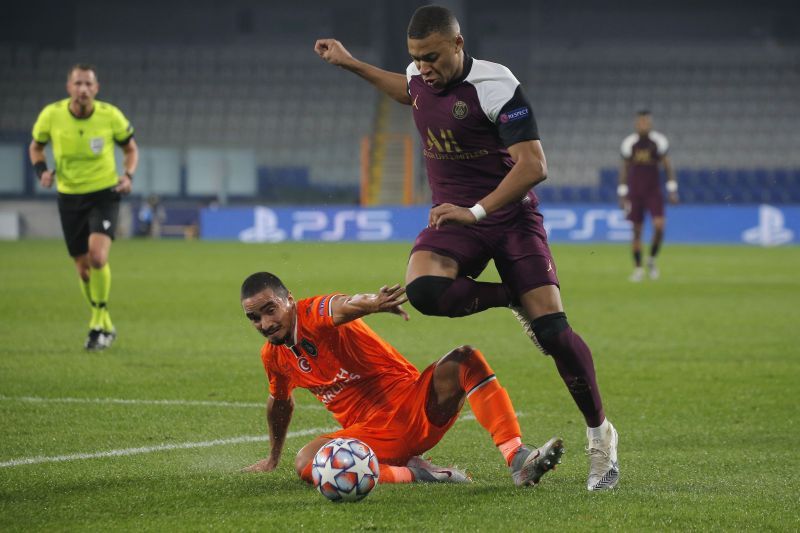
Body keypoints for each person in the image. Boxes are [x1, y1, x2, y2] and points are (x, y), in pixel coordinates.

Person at [314, 5, 618, 490]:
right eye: (416, 58)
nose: (423, 67)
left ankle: (601, 439)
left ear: (458, 44)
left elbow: (534, 165)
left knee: (556, 334)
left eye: (432, 57)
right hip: (457, 220)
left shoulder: (496, 87)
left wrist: (477, 211)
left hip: (508, 216)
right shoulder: (421, 75)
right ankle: (513, 297)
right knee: (426, 291)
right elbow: (408, 92)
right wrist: (351, 63)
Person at [240, 271, 564, 487]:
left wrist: (373, 303)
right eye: (255, 317)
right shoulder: (274, 358)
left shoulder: (313, 313)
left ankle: (517, 456)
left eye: (271, 310)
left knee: (465, 359)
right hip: (369, 437)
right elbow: (279, 404)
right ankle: (416, 474)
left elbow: (343, 305)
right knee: (306, 463)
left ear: (289, 300)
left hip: (413, 404)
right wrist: (273, 458)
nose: (265, 323)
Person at [29, 64, 139, 350]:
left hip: (104, 193)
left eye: (88, 84)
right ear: (69, 88)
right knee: (83, 269)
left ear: (96, 88)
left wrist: (128, 176)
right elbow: (36, 147)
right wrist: (41, 170)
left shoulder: (110, 115)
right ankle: (104, 323)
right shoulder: (51, 115)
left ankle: (97, 324)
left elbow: (130, 148)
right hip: (69, 197)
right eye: (78, 83)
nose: (83, 89)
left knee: (98, 258)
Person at [617, 110, 678, 282]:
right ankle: (638, 269)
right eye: (641, 122)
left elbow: (667, 166)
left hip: (654, 191)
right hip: (635, 192)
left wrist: (672, 189)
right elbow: (624, 169)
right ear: (637, 124)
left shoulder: (659, 142)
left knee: (659, 226)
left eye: (646, 122)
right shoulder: (629, 143)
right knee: (636, 231)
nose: (643, 124)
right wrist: (622, 193)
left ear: (650, 124)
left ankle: (651, 259)